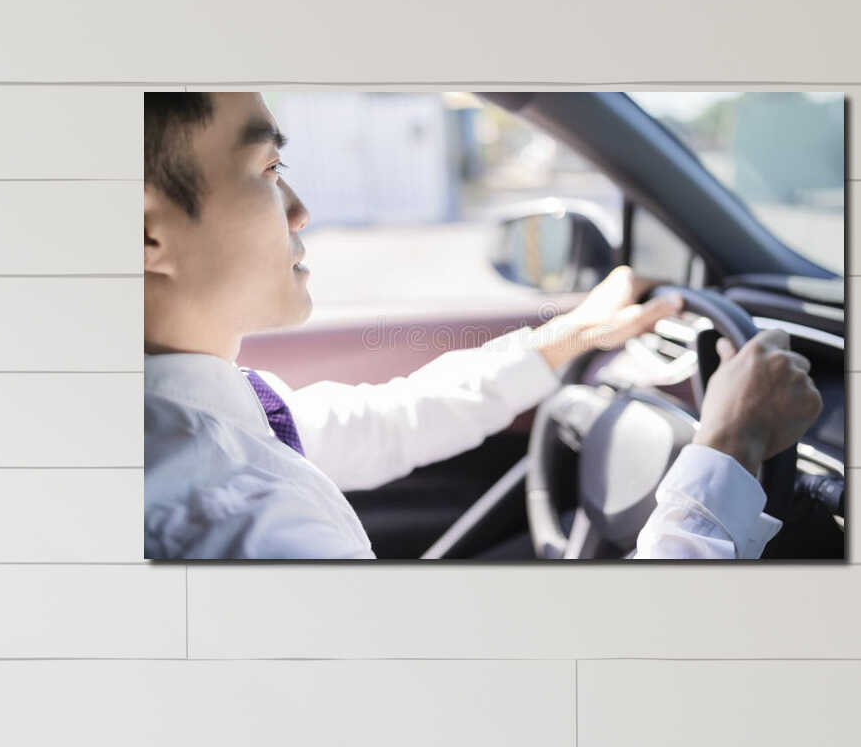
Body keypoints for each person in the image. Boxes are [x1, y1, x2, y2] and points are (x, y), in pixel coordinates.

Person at [143, 92, 821, 561]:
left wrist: (570, 336)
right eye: (267, 170)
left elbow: (387, 422)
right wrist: (731, 446)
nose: (299, 212)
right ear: (145, 234)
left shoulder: (196, 422)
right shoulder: (233, 522)